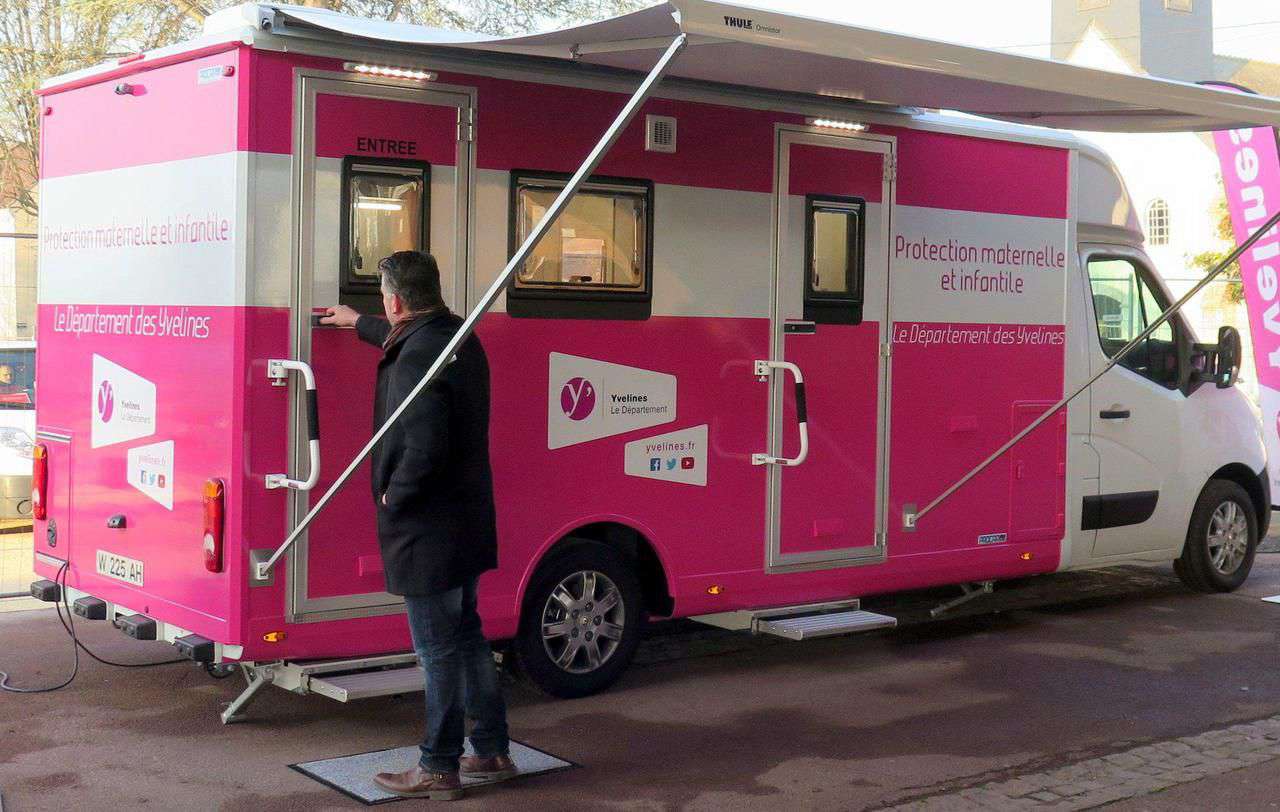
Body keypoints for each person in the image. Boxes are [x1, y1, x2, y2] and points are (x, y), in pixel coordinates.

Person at [322, 251, 514, 801]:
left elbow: (425, 444)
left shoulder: (416, 358)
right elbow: (408, 340)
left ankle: (438, 765)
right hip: (468, 519)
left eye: (384, 300)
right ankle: (494, 750)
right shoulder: (456, 338)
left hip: (427, 528)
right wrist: (357, 323)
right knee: (468, 637)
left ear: (396, 299)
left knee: (438, 651)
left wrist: (394, 495)